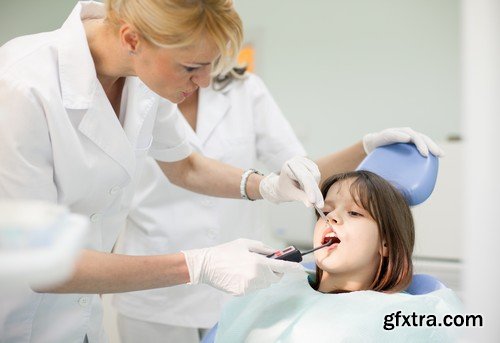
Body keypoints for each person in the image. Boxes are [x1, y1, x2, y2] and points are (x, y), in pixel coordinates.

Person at [0, 0, 443, 341]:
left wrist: (266, 186)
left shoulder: (142, 78)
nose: (206, 82)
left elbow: (187, 165)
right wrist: (197, 264)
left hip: (84, 315)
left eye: (209, 64)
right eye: (192, 67)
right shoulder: (23, 87)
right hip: (25, 318)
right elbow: (42, 264)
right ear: (132, 40)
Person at [215, 170, 463, 342]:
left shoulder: (407, 319)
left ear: (386, 243)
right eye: (325, 211)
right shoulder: (270, 290)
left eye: (355, 213)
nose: (331, 218)